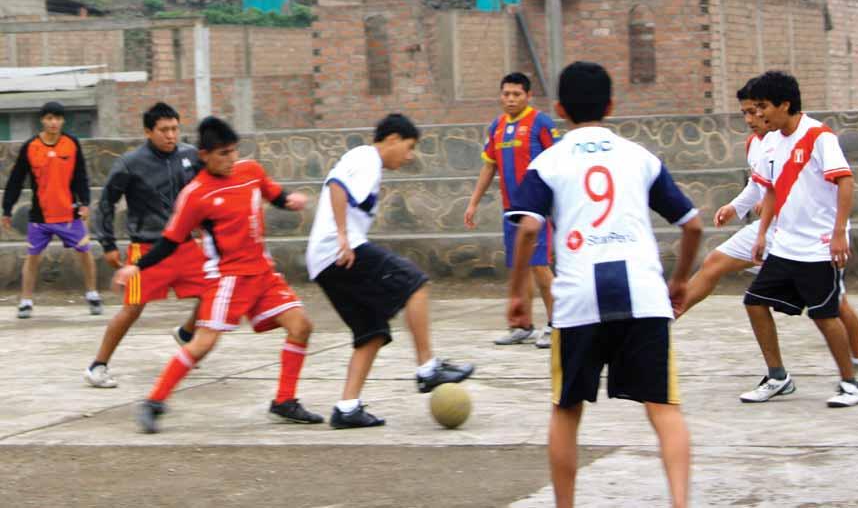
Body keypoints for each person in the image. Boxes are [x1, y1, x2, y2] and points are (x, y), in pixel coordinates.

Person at [506, 62, 702, 508]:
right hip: (643, 293)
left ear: (558, 109)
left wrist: (516, 294)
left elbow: (530, 230)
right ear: (611, 105)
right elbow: (692, 225)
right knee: (665, 408)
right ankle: (679, 502)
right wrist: (680, 280)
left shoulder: (547, 162)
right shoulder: (641, 158)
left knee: (566, 409)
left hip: (578, 300)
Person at [113, 116, 321, 432]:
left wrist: (289, 201)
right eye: (222, 154)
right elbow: (169, 242)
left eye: (233, 151)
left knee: (301, 326)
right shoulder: (196, 195)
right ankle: (154, 401)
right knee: (203, 344)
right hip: (228, 279)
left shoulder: (251, 172)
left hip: (263, 274)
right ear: (203, 156)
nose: (230, 159)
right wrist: (136, 266)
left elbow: (274, 194)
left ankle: (284, 401)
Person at [677, 81, 858, 387]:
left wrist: (838, 232)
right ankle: (664, 321)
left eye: (756, 110)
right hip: (774, 230)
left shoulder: (813, 136)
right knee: (717, 266)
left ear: (776, 106)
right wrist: (736, 207)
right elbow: (762, 186)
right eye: (746, 111)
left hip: (813, 236)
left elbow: (839, 182)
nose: (751, 118)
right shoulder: (759, 143)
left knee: (834, 306)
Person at [306, 113, 474, 429]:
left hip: (324, 259)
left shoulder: (363, 160)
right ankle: (428, 369)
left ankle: (347, 408)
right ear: (393, 139)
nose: (410, 156)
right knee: (416, 284)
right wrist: (342, 234)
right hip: (339, 251)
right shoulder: (368, 159)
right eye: (409, 148)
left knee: (372, 333)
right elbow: (337, 188)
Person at [742, 71, 858, 408]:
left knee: (825, 316)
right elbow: (770, 192)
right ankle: (778, 376)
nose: (759, 114)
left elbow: (846, 182)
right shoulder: (771, 142)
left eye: (764, 106)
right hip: (785, 245)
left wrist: (839, 233)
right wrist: (763, 234)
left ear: (785, 104)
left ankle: (850, 383)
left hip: (818, 247)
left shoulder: (819, 136)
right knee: (754, 302)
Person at [85, 103, 205, 389]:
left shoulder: (190, 155)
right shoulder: (130, 163)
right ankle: (97, 366)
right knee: (132, 309)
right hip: (147, 250)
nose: (171, 135)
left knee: (216, 292)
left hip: (186, 246)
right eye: (164, 130)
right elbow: (105, 205)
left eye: (175, 129)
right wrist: (108, 244)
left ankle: (187, 333)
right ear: (148, 132)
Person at [465, 72, 560, 348]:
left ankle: (557, 324)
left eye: (516, 94)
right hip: (511, 209)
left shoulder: (540, 123)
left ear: (528, 96)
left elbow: (559, 159)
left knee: (540, 266)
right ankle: (523, 325)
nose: (510, 99)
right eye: (506, 94)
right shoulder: (497, 126)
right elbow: (489, 166)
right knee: (520, 270)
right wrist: (473, 201)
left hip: (537, 209)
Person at [2, 101, 100, 319]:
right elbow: (16, 180)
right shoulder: (31, 147)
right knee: (32, 256)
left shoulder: (71, 144)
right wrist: (7, 209)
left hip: (69, 213)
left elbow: (81, 176)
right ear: (42, 120)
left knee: (85, 252)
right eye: (49, 118)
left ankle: (92, 294)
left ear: (62, 120)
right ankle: (26, 301)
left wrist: (84, 202)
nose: (53, 122)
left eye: (57, 118)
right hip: (40, 215)